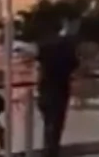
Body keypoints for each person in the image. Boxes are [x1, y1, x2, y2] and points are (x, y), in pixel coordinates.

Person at [32, 18, 81, 157]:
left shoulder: (45, 43)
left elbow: (37, 62)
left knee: (48, 123)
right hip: (59, 89)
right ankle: (50, 152)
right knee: (55, 125)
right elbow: (74, 65)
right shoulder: (68, 46)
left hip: (44, 88)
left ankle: (47, 150)